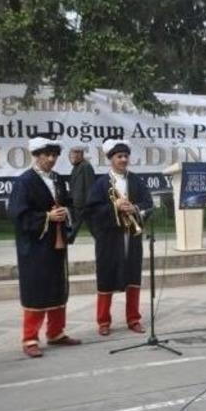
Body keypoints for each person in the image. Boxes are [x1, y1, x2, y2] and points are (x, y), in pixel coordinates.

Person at [8, 134, 81, 357]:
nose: (51, 159)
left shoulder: (58, 179)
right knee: (37, 289)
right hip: (35, 246)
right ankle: (30, 338)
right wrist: (48, 216)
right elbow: (18, 215)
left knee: (58, 285)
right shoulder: (24, 182)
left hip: (56, 242)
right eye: (46, 155)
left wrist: (65, 213)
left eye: (54, 155)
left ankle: (56, 333)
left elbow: (69, 204)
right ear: (36, 155)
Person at [86, 137, 153, 336]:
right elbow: (90, 211)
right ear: (111, 159)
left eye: (125, 156)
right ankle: (103, 321)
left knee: (133, 277)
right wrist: (113, 207)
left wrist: (135, 208)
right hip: (109, 238)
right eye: (119, 156)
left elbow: (148, 203)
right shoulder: (100, 184)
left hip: (132, 236)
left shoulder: (136, 181)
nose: (123, 159)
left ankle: (133, 319)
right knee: (106, 277)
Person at [68, 146, 95, 241]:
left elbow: (90, 185)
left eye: (76, 153)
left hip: (83, 203)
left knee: (78, 223)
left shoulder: (86, 166)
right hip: (77, 202)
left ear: (81, 154)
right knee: (90, 225)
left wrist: (89, 202)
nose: (73, 155)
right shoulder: (76, 167)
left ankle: (68, 239)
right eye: (72, 153)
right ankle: (102, 240)